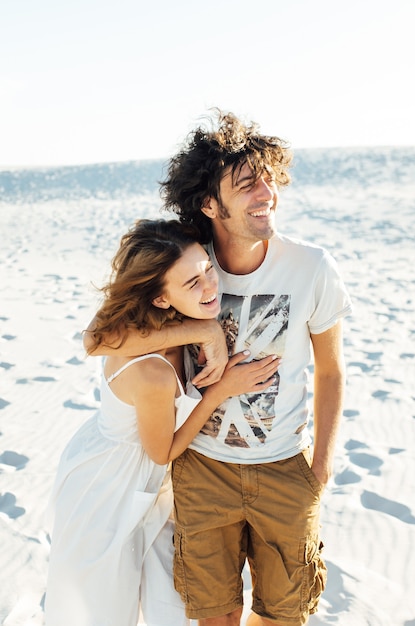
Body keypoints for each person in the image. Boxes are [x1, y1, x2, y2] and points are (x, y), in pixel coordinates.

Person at [84, 110, 353, 626]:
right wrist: (202, 330)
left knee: (284, 613)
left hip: (284, 467)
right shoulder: (188, 262)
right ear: (210, 204)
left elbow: (331, 372)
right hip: (204, 470)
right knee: (215, 616)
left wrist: (320, 467)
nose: (266, 193)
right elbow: (100, 338)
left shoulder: (312, 267)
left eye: (270, 178)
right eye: (247, 184)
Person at [45, 218, 279, 626]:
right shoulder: (151, 371)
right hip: (108, 490)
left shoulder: (161, 324)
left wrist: (204, 329)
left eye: (207, 269)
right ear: (159, 299)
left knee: (168, 611)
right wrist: (220, 390)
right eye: (192, 284)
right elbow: (162, 451)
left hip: (151, 485)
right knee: (99, 612)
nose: (210, 287)